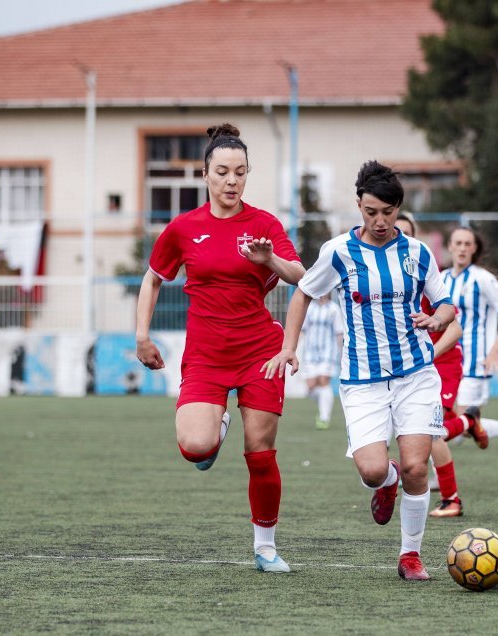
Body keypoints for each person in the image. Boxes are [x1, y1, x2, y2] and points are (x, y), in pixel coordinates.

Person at [264, 160, 458, 581]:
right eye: (371, 212)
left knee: (415, 468)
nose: (380, 221)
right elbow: (303, 294)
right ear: (359, 206)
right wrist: (288, 347)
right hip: (362, 379)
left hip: (415, 373)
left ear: (398, 209)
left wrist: (437, 319)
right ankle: (385, 484)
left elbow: (445, 303)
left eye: (388, 213)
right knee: (374, 470)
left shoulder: (418, 253)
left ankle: (410, 556)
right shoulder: (337, 252)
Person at [135, 123, 305, 574]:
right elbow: (153, 278)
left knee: (260, 449)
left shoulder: (265, 224)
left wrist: (270, 259)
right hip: (207, 356)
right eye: (223, 172)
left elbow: (301, 277)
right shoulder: (185, 228)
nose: (232, 181)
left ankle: (265, 546)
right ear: (205, 174)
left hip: (260, 353)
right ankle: (215, 429)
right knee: (195, 446)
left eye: (241, 172)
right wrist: (142, 336)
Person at [395, 212, 487, 519]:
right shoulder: (383, 275)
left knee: (430, 433)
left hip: (441, 360)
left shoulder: (421, 273)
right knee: (412, 433)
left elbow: (456, 329)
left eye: (405, 233)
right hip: (411, 364)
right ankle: (467, 423)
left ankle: (452, 499)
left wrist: (428, 354)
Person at [443, 226, 498, 459]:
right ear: (450, 246)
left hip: (475, 361)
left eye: (467, 244)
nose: (462, 248)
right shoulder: (442, 278)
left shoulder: (483, 279)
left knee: (461, 425)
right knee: (443, 422)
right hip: (447, 360)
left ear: (474, 249)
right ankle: (439, 474)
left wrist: (494, 351)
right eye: (458, 243)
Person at [300, 294, 343, 429]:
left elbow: (339, 332)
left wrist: (341, 353)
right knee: (311, 386)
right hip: (310, 352)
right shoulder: (310, 308)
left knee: (324, 381)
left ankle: (324, 418)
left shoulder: (334, 309)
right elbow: (303, 330)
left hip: (328, 352)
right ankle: (324, 403)